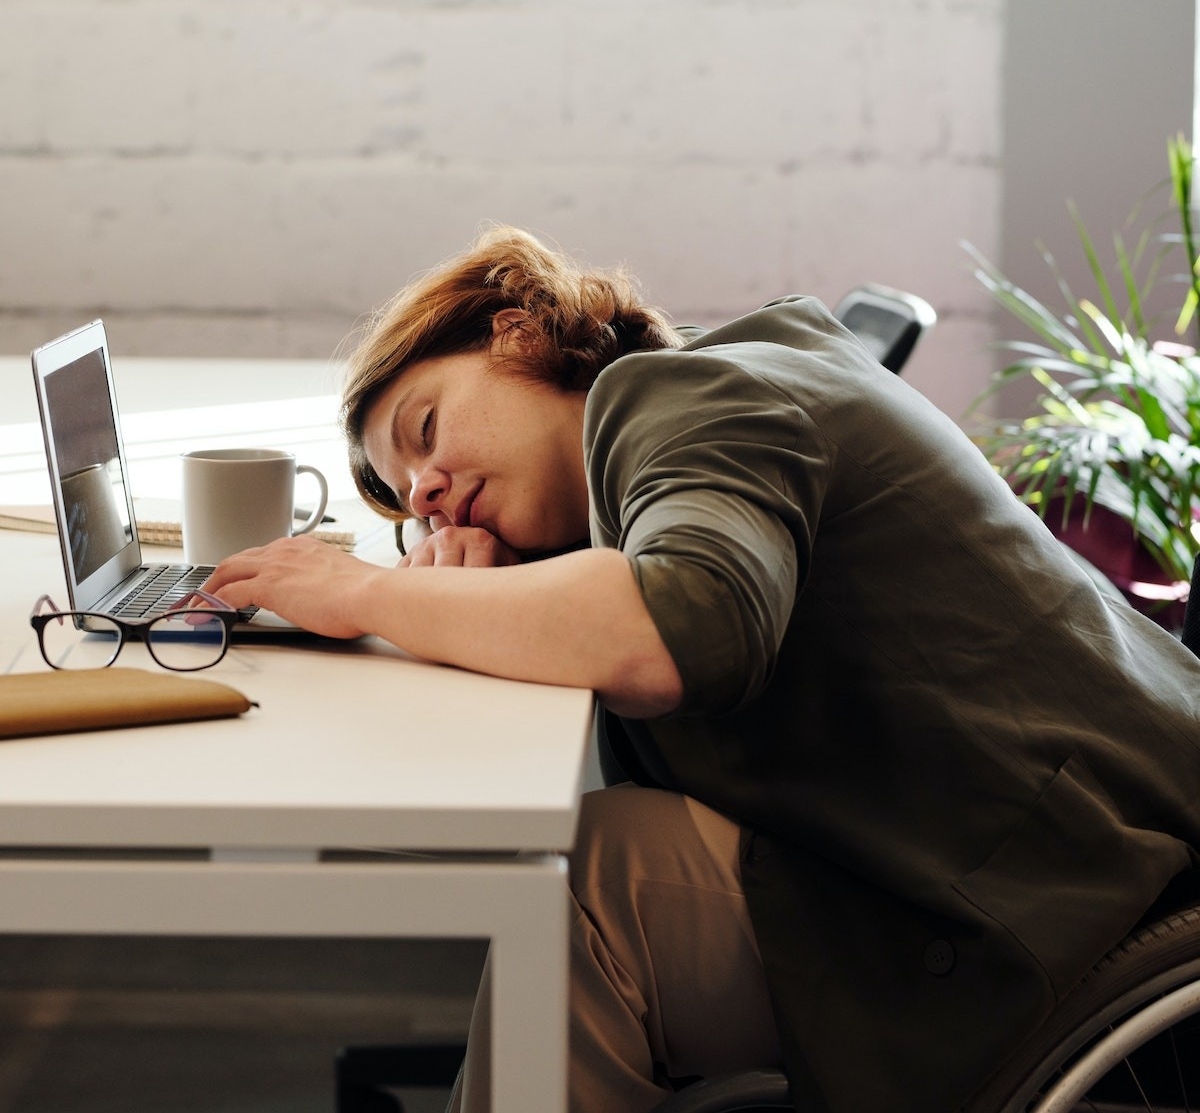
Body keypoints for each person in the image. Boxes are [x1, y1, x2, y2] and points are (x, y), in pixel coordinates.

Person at [202, 224, 1200, 1113]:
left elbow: (690, 624)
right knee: (607, 858)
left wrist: (370, 595)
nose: (426, 489)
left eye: (424, 429)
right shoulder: (698, 409)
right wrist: (472, 596)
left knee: (600, 880)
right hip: (1044, 848)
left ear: (514, 332)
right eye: (410, 500)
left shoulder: (676, 396)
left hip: (1062, 897)